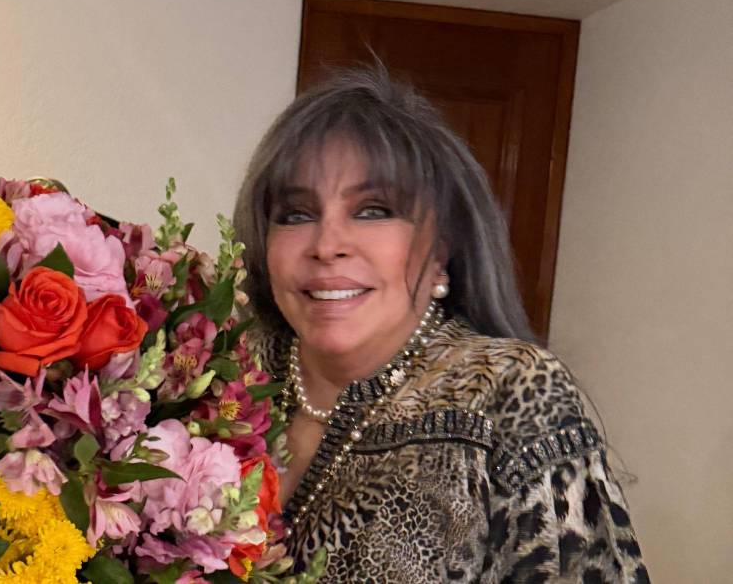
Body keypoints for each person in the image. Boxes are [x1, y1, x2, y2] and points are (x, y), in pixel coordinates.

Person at [233, 69, 647, 582]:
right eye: (296, 215)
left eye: (373, 210)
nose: (327, 245)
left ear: (441, 249)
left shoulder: (505, 389)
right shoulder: (227, 378)